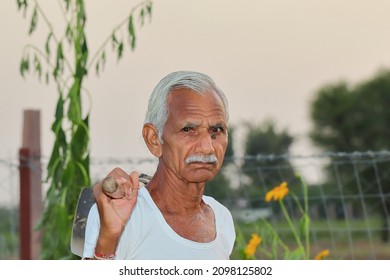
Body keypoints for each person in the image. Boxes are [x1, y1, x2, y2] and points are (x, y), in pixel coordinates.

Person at [82, 70, 236, 260]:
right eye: (188, 129)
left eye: (216, 130)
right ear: (154, 139)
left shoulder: (220, 218)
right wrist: (108, 238)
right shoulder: (126, 215)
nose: (207, 147)